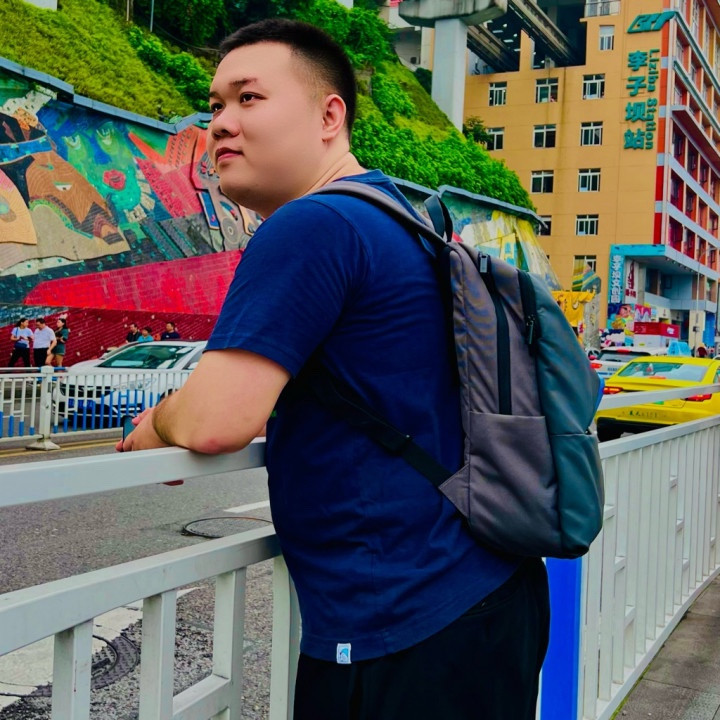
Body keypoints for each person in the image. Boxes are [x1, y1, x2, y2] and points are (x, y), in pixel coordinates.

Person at [118, 19, 549, 720]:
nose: (220, 122)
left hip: (406, 624)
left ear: (328, 116)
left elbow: (216, 420)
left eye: (249, 98)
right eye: (215, 103)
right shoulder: (400, 219)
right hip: (482, 592)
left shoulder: (312, 225)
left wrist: (154, 425)